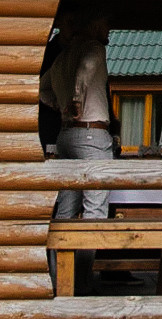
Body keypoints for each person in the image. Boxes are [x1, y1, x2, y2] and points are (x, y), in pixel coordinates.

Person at [48, 12, 114, 221]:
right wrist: (75, 100)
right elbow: (86, 68)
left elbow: (42, 89)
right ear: (93, 26)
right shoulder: (95, 48)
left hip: (65, 136)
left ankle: (58, 255)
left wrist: (59, 105)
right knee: (95, 207)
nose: (109, 29)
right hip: (91, 135)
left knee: (66, 206)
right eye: (105, 24)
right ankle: (85, 255)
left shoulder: (61, 58)